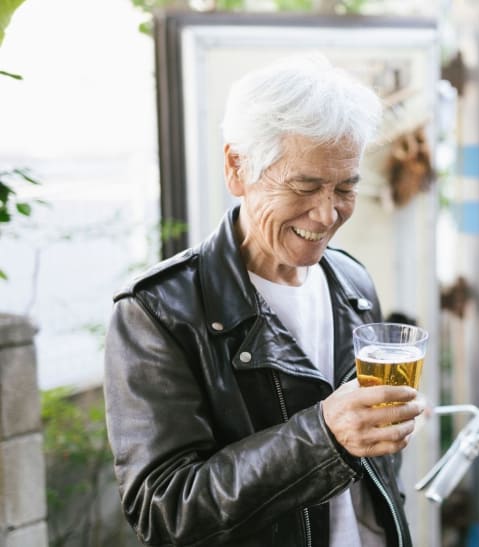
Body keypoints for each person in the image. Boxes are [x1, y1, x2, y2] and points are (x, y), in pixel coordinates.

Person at [104, 53, 424, 547]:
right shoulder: (159, 312)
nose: (327, 213)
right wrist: (323, 435)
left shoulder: (352, 284)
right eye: (305, 185)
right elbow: (163, 511)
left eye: (345, 187)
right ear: (237, 168)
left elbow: (377, 480)